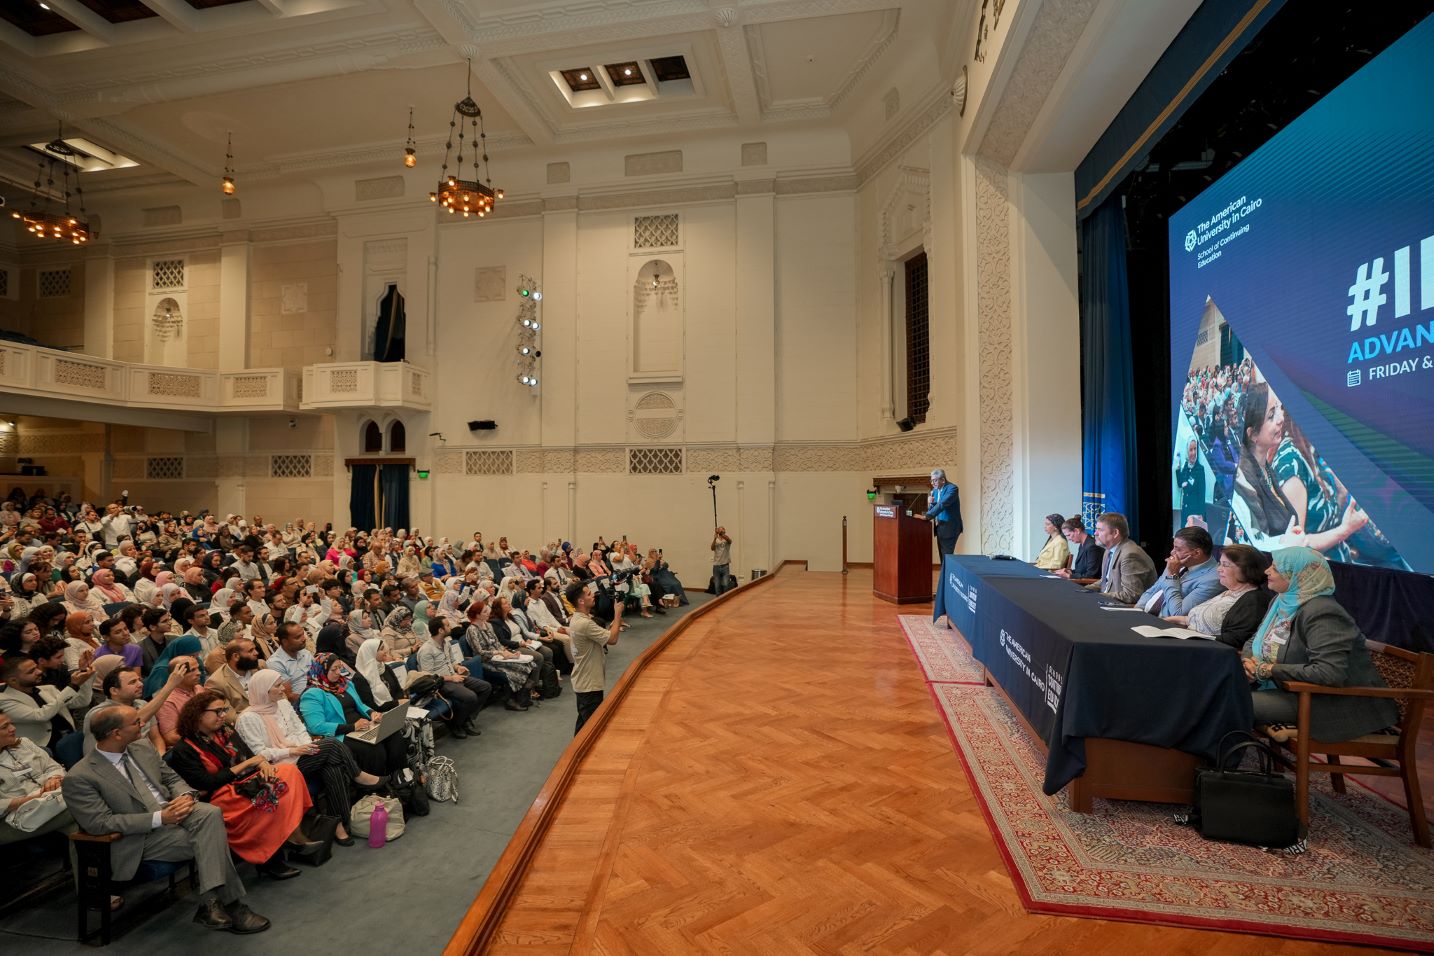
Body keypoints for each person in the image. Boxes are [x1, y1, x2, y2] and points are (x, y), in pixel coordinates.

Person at [63, 705, 271, 933]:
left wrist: (185, 796)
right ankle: (231, 905)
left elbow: (172, 778)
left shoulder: (141, 747)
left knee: (211, 814)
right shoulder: (80, 776)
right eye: (135, 723)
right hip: (138, 838)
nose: (143, 725)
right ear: (116, 733)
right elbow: (99, 824)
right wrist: (159, 818)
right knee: (210, 839)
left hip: (175, 813)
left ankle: (211, 904)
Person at [1243, 547, 1398, 741]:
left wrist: (1268, 670)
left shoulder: (1323, 613)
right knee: (1210, 691)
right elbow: (1255, 639)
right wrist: (1249, 664)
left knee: (1227, 701)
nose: (1267, 571)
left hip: (1322, 702)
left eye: (1275, 568)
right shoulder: (1281, 601)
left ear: (1298, 575)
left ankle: (1220, 765)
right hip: (1284, 689)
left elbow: (1329, 672)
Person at [163, 691, 317, 880]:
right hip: (220, 796)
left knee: (288, 772)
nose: (223, 715)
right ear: (198, 714)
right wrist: (248, 764)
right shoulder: (184, 748)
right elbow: (206, 783)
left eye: (224, 710)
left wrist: (263, 764)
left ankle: (290, 836)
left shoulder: (226, 730)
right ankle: (276, 855)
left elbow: (250, 754)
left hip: (246, 782)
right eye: (217, 711)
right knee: (267, 794)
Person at [236, 669, 382, 847]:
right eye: (277, 686)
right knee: (332, 744)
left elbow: (301, 730)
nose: (283, 689)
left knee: (332, 767)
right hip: (280, 767)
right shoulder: (247, 718)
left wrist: (308, 747)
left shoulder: (282, 704)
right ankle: (357, 776)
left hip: (303, 755)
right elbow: (260, 755)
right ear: (263, 690)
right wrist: (293, 751)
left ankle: (337, 824)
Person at [297, 653, 412, 774]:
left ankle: (400, 775)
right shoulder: (312, 694)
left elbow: (360, 705)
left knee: (393, 735)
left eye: (339, 668)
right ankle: (379, 785)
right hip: (341, 734)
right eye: (333, 669)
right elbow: (316, 727)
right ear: (322, 670)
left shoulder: (345, 684)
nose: (338, 672)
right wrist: (352, 727)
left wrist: (372, 713)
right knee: (373, 749)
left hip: (363, 726)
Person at [1166, 544, 1273, 650]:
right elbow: (1196, 621)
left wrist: (1189, 637)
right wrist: (1170, 620)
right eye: (1220, 563)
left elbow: (1235, 640)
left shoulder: (1255, 600)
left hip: (1206, 651)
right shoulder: (1229, 592)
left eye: (1225, 565)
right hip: (1190, 643)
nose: (1218, 569)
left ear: (1246, 569)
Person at [0, 711, 75, 844]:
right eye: (4, 727)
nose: (13, 728)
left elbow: (52, 767)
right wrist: (30, 799)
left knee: (76, 824)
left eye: (11, 723)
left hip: (50, 800)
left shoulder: (23, 743)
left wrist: (53, 779)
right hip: (13, 818)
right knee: (80, 809)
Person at [83, 663, 185, 754]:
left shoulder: (142, 704)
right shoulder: (99, 714)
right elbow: (133, 720)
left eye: (139, 680)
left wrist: (161, 757)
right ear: (114, 691)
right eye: (132, 682)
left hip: (151, 759)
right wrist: (170, 685)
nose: (141, 684)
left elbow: (156, 738)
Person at [415, 620, 493, 738]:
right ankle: (456, 724)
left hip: (454, 676)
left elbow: (451, 661)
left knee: (486, 687)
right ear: (440, 630)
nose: (450, 626)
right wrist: (451, 678)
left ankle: (465, 719)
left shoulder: (446, 643)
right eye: (447, 625)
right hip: (441, 683)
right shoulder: (426, 650)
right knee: (470, 697)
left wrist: (458, 667)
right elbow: (429, 676)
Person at [565, 580, 622, 734]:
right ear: (581, 601)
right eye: (589, 594)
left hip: (584, 680)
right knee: (592, 730)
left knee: (584, 725)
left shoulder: (578, 618)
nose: (594, 595)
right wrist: (617, 614)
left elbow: (604, 636)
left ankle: (574, 755)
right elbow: (613, 639)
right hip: (589, 684)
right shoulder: (584, 623)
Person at [0, 654, 89, 748]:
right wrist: (73, 686)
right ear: (13, 680)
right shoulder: (3, 700)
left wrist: (84, 673)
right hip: (41, 747)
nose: (39, 672)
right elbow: (40, 715)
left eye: (36, 668)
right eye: (31, 671)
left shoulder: (47, 688)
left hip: (70, 737)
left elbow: (82, 702)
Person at [1133, 526, 1224, 616]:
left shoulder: (1213, 579)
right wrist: (1137, 611)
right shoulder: (1178, 563)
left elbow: (1178, 613)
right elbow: (1153, 589)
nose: (1172, 552)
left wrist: (1172, 577)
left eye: (1178, 549)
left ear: (1196, 553)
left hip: (1165, 624)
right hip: (1144, 615)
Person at [1084, 512, 1157, 604]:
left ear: (1115, 533)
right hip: (1107, 603)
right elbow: (1105, 582)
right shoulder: (1108, 550)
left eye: (1100, 530)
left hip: (1124, 610)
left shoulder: (1131, 555)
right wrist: (1083, 590)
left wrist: (1097, 596)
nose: (1095, 533)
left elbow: (1131, 595)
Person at [206, 638, 262, 722]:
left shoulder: (260, 666)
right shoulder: (216, 683)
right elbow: (230, 717)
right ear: (236, 656)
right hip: (248, 724)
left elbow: (280, 694)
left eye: (255, 649)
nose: (256, 653)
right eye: (251, 651)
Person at [265, 622, 315, 704]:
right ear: (285, 642)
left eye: (303, 634)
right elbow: (289, 697)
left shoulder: (305, 652)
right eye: (298, 637)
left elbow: (320, 673)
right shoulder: (275, 663)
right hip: (302, 702)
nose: (303, 639)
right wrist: (315, 693)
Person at [922, 468, 963, 558]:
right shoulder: (935, 491)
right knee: (943, 556)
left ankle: (948, 572)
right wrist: (930, 502)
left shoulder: (952, 489)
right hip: (940, 527)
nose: (932, 483)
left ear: (943, 480)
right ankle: (944, 572)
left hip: (950, 527)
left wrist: (927, 516)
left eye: (935, 480)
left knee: (947, 557)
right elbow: (933, 508)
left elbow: (942, 504)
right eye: (931, 480)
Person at [1053, 517, 1104, 581]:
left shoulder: (1092, 547)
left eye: (1068, 535)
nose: (1068, 539)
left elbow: (1091, 575)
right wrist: (1069, 572)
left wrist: (1069, 576)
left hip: (1089, 585)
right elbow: (1081, 571)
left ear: (1077, 531)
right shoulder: (1083, 544)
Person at [1176, 438, 1206, 525]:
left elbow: (1202, 493)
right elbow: (1180, 484)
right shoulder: (1185, 467)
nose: (1193, 452)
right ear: (1187, 451)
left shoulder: (1200, 469)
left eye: (1195, 449)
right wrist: (1178, 469)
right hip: (1185, 511)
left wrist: (1201, 514)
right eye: (1190, 450)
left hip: (1195, 514)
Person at [710, 526, 732, 595]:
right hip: (716, 566)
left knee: (726, 584)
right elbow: (712, 548)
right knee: (717, 585)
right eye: (720, 530)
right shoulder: (716, 540)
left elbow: (729, 540)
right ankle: (718, 600)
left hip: (725, 565)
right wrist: (714, 538)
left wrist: (721, 533)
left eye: (723, 530)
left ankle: (725, 600)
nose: (722, 531)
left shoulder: (726, 539)